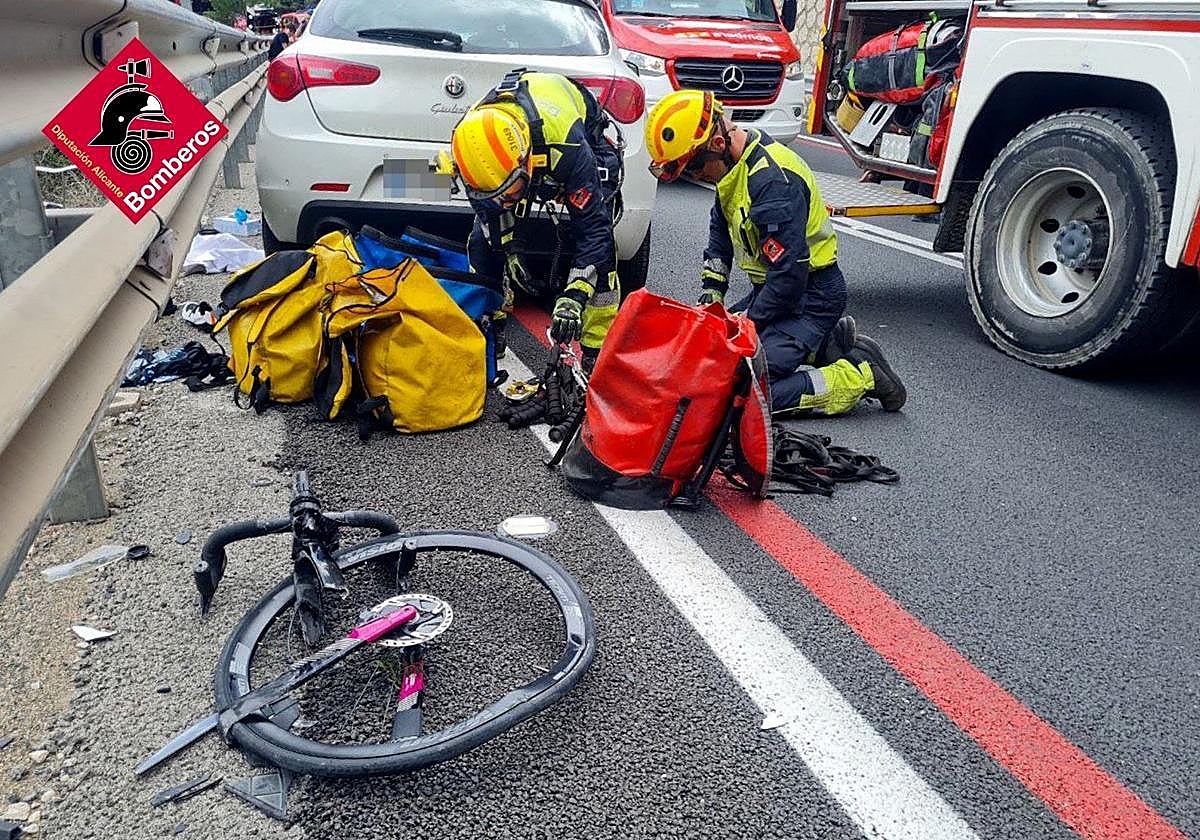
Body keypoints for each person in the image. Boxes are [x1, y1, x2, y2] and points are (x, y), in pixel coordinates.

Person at [644, 89, 906, 416]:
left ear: (717, 144)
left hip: (809, 296)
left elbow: (789, 277)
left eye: (694, 167)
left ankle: (862, 376)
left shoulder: (771, 183)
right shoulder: (731, 168)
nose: (694, 176)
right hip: (775, 291)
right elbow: (720, 235)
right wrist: (712, 297)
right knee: (709, 360)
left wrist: (748, 324)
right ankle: (827, 345)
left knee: (746, 388)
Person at [448, 70, 623, 370]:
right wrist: (509, 250)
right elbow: (489, 213)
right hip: (525, 154)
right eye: (498, 196)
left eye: (511, 192)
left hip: (581, 141)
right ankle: (490, 323)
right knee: (481, 241)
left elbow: (594, 230)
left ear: (525, 159)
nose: (507, 203)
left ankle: (597, 351)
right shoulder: (470, 152)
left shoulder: (568, 147)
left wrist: (574, 295)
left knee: (603, 257)